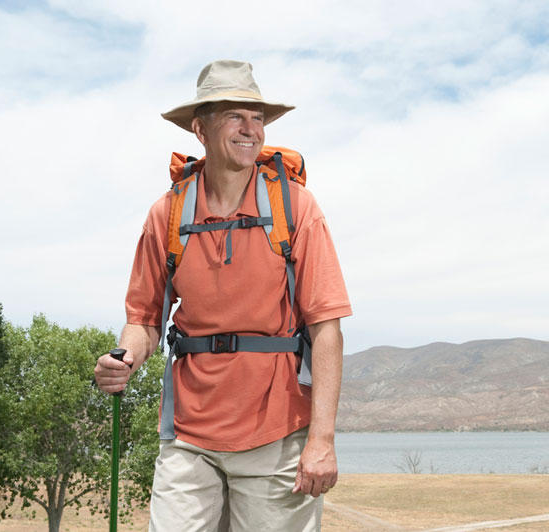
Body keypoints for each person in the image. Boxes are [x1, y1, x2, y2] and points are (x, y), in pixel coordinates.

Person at [93, 60, 352, 531]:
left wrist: (322, 440)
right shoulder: (167, 214)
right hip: (188, 436)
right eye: (235, 116)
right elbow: (144, 320)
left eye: (257, 118)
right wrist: (124, 359)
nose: (250, 129)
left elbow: (327, 328)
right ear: (200, 128)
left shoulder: (294, 207)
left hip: (277, 434)